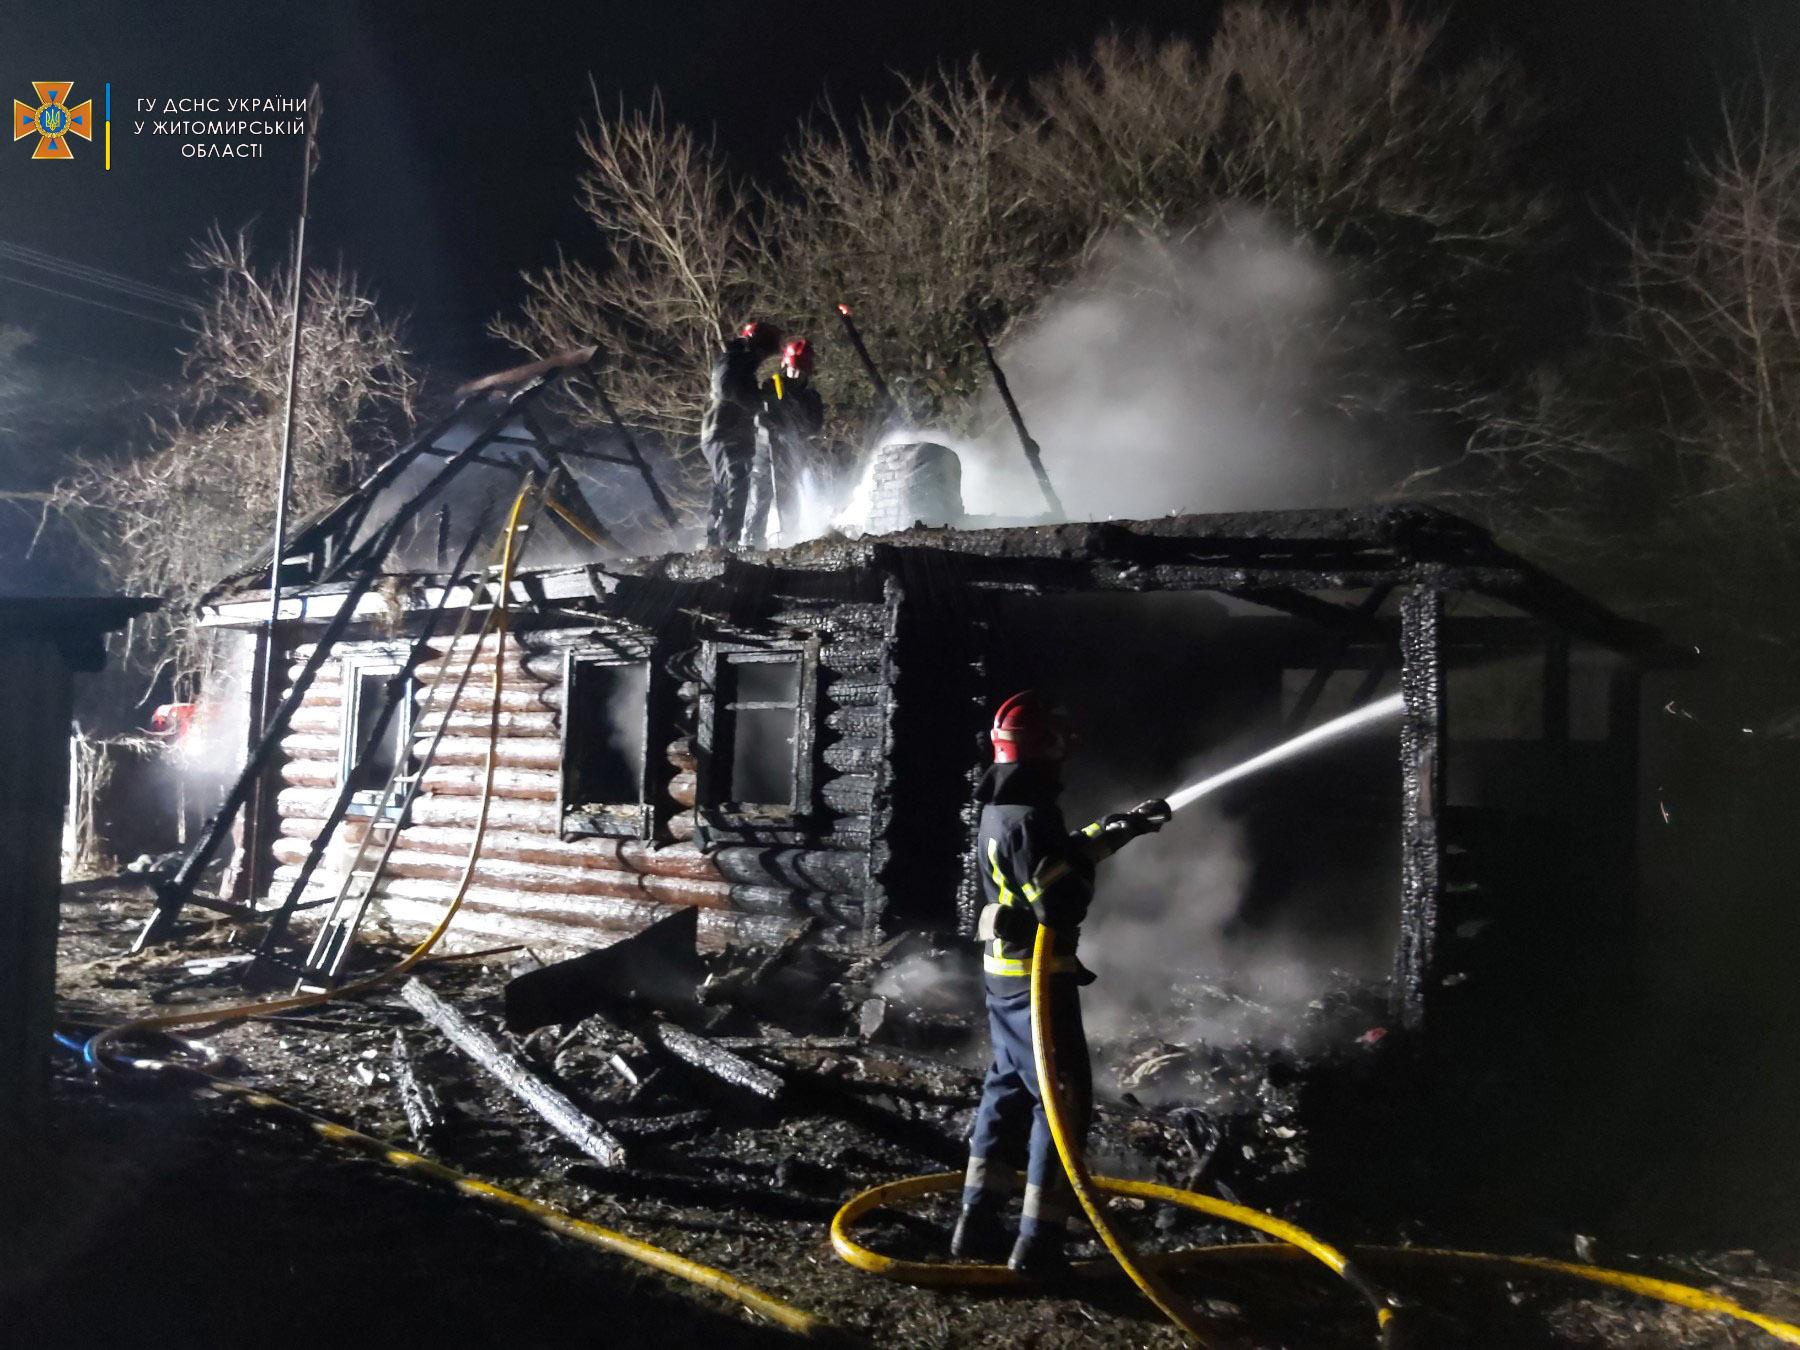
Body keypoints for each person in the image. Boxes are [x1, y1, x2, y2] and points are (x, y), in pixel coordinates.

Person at [951, 691, 1170, 1275]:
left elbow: (1049, 861)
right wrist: (1085, 872)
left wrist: (1119, 830)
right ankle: (1038, 1242)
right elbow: (1060, 901)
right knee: (1061, 1101)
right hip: (1038, 984)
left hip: (1005, 979)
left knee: (1008, 1088)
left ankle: (976, 1220)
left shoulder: (1002, 808)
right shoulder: (1032, 816)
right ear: (1046, 748)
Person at [700, 320, 783, 547]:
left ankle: (715, 544)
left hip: (730, 434)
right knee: (734, 485)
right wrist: (756, 401)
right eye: (765, 348)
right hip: (723, 432)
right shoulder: (733, 358)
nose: (764, 356)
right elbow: (726, 388)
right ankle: (729, 544)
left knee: (725, 488)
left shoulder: (741, 363)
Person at [742, 337, 826, 548]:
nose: (795, 375)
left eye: (800, 371)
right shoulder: (770, 387)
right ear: (785, 366)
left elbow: (815, 426)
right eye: (793, 369)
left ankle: (790, 539)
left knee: (789, 497)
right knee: (759, 495)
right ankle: (752, 541)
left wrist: (796, 427)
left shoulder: (810, 397)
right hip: (765, 450)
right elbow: (753, 414)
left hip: (792, 452)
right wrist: (765, 421)